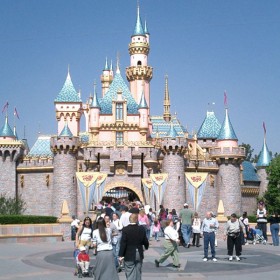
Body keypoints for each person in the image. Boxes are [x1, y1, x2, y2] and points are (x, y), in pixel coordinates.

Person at [119, 213, 149, 280]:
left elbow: (123, 243)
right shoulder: (141, 229)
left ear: (129, 220)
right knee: (138, 272)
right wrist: (146, 247)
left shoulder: (125, 229)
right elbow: (145, 240)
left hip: (128, 253)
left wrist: (121, 254)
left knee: (130, 272)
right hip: (139, 252)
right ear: (137, 220)